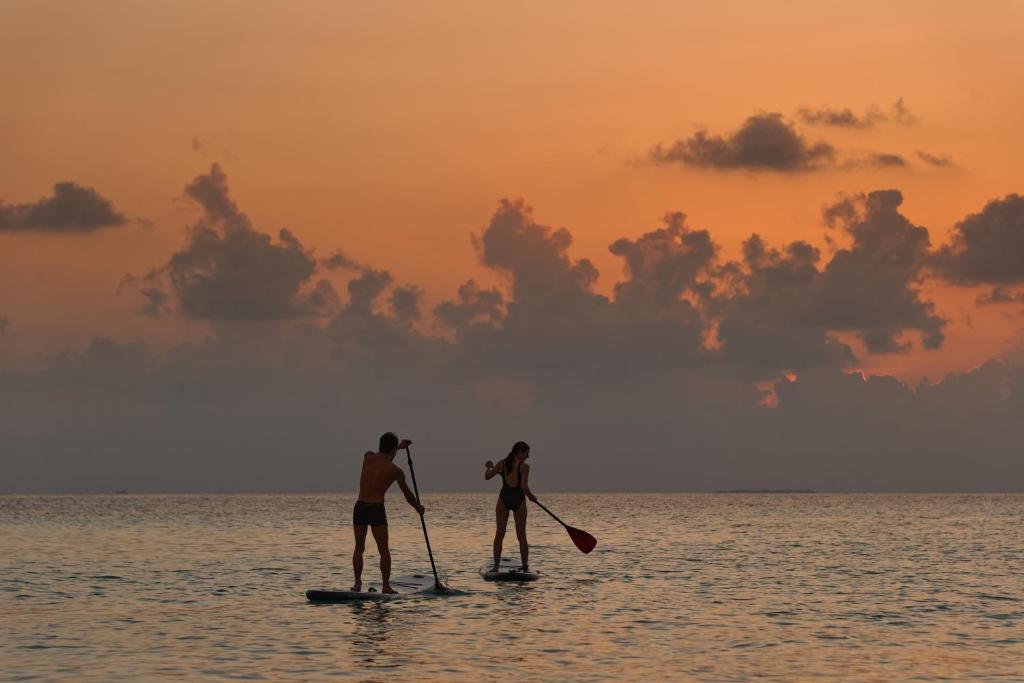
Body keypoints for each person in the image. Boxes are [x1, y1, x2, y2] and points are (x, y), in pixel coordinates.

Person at [351, 432, 425, 594]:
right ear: (393, 449)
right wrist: (418, 508)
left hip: (360, 507)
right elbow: (407, 495)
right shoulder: (395, 471)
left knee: (359, 547)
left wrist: (398, 447)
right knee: (383, 549)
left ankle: (357, 584)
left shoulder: (367, 457)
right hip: (376, 509)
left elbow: (385, 454)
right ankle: (385, 586)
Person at [484, 441, 537, 573]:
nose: (528, 456)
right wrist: (531, 496)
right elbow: (524, 487)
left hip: (504, 499)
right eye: (526, 453)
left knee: (499, 534)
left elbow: (487, 476)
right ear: (519, 451)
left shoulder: (502, 463)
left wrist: (489, 467)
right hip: (519, 500)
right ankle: (525, 568)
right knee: (522, 536)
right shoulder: (524, 467)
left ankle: (496, 567)